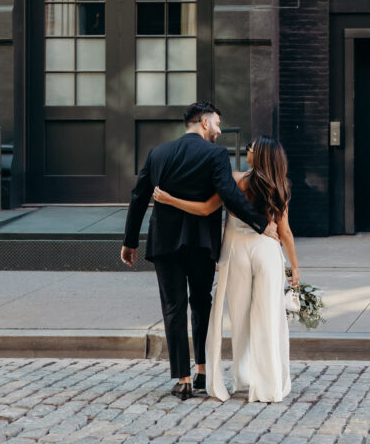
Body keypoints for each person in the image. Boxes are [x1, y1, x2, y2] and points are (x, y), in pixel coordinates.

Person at [121, 102, 277, 401]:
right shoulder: (216, 154)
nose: (219, 130)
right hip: (201, 242)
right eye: (217, 124)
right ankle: (203, 371)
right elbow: (230, 194)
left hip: (164, 243)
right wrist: (261, 223)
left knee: (173, 308)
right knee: (201, 304)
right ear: (204, 123)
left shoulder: (158, 153)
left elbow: (139, 197)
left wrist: (130, 241)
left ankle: (182, 379)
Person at [153, 135, 299, 404]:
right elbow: (285, 232)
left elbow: (205, 208)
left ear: (261, 156)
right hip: (267, 252)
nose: (247, 152)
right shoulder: (281, 186)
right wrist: (295, 271)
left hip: (236, 254)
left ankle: (238, 377)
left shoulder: (234, 180)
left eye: (250, 149)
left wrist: (169, 199)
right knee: (268, 317)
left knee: (236, 319)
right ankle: (269, 384)